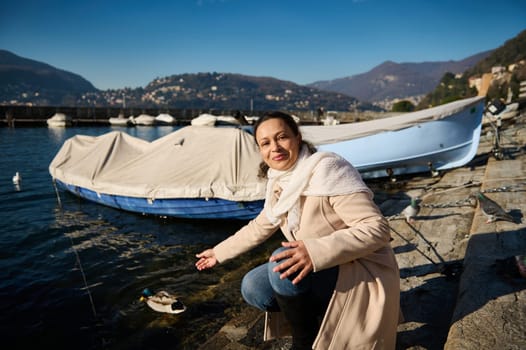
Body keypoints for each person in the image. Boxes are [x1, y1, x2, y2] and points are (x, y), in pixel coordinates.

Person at [196, 111, 400, 350]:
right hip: (323, 266)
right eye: (265, 143)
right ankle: (318, 317)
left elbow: (377, 229)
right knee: (253, 287)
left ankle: (303, 341)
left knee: (278, 265)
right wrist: (217, 253)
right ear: (260, 151)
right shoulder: (279, 181)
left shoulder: (328, 169)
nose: (275, 148)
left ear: (297, 138)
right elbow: (260, 226)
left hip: (359, 268)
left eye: (282, 137)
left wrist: (314, 251)